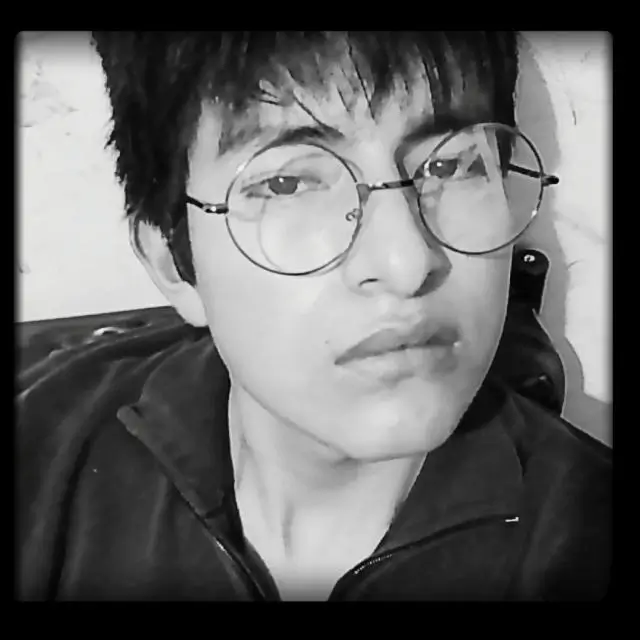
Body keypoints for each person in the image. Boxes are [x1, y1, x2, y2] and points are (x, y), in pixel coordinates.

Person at [17, 31, 611, 601]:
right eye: (289, 182)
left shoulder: (580, 538)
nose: (407, 264)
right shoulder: (46, 454)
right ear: (173, 263)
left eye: (451, 166)